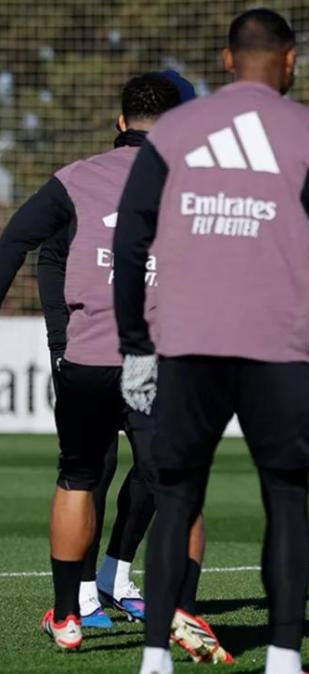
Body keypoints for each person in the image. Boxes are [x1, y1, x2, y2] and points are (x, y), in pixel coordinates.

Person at [112, 10, 309, 674]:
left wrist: (136, 343)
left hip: (188, 344)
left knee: (176, 495)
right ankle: (285, 659)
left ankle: (154, 660)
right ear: (290, 60)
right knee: (286, 499)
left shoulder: (173, 129)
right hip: (276, 348)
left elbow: (128, 239)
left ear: (228, 60)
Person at [0, 72, 224, 658]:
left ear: (122, 122)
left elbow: (12, 241)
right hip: (162, 360)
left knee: (78, 477)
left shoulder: (73, 179)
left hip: (90, 357)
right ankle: (180, 605)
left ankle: (71, 614)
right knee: (178, 482)